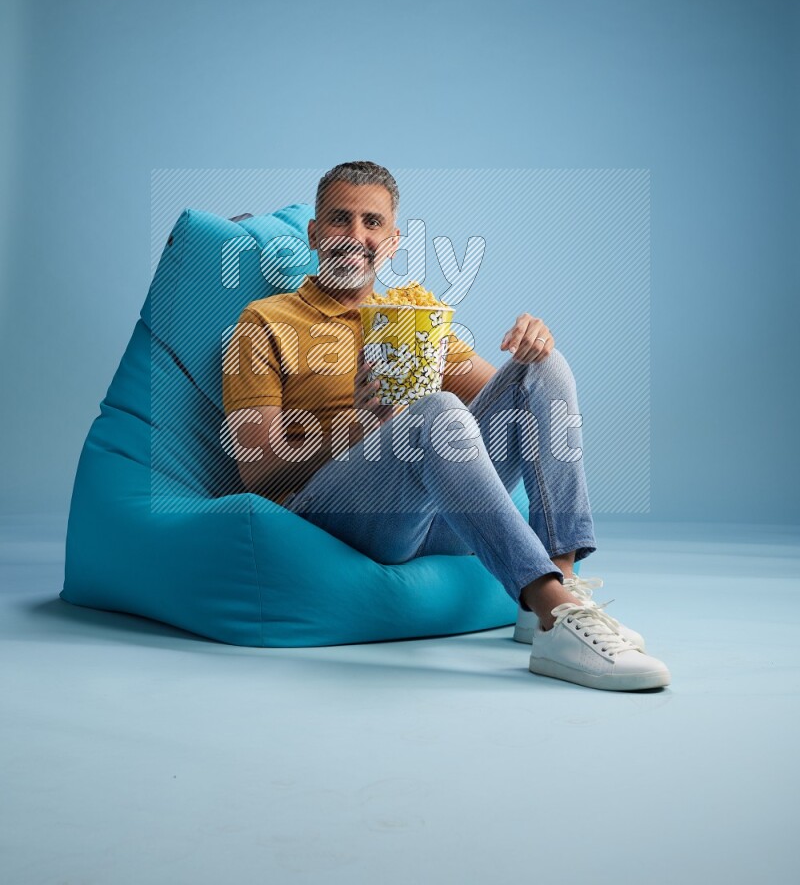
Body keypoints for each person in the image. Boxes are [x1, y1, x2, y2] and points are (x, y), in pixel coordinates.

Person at [221, 161, 670, 692]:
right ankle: (552, 609)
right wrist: (361, 428)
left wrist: (533, 342)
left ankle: (560, 588)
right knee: (435, 411)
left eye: (372, 222)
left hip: (430, 515)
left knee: (542, 369)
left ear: (392, 242)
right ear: (315, 234)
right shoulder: (264, 321)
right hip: (336, 518)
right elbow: (256, 474)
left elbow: (515, 403)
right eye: (340, 219)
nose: (355, 236)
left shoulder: (411, 317)